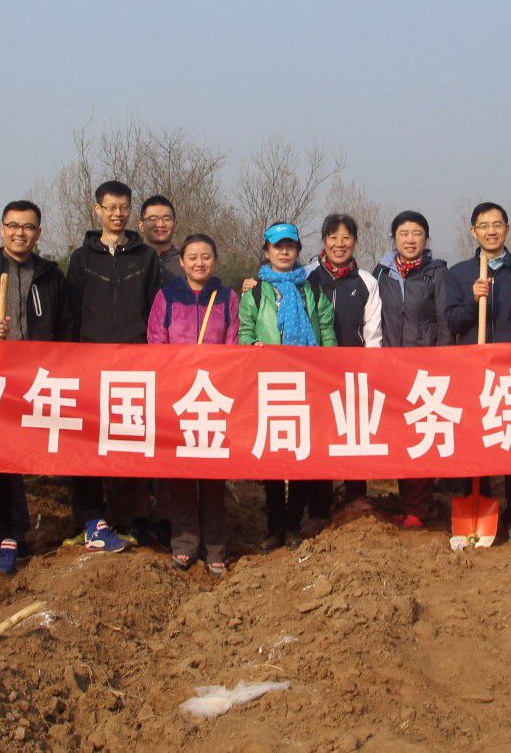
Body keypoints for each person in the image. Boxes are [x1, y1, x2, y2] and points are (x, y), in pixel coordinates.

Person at [0, 200, 78, 573]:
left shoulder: (51, 276)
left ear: (38, 232)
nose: (19, 233)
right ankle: (9, 534)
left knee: (66, 444)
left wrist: (57, 361)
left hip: (41, 378)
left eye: (27, 227)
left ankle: (86, 519)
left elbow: (67, 328)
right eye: (12, 226)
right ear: (2, 228)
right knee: (1, 453)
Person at [64, 180, 165, 550]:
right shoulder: (82, 258)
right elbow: (71, 312)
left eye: (123, 207)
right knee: (86, 443)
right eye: (110, 207)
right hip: (89, 364)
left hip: (134, 364)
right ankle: (91, 519)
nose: (117, 214)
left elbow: (155, 311)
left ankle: (127, 518)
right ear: (98, 210)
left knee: (128, 440)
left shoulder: (146, 257)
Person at [445, 203, 511, 543]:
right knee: (475, 442)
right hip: (473, 373)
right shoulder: (459, 274)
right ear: (473, 231)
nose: (491, 231)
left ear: (506, 229)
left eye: (497, 224)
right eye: (484, 225)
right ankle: (480, 502)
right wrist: (472, 300)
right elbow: (453, 321)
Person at [147, 234, 239, 576]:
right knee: (181, 475)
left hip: (214, 396)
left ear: (215, 261)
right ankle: (184, 544)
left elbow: (233, 342)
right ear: (182, 262)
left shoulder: (227, 297)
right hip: (178, 395)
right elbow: (156, 341)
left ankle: (216, 548)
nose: (200, 263)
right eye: (193, 257)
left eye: (206, 256)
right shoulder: (166, 296)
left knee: (213, 477)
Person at [241, 222, 336, 550]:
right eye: (277, 246)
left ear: (297, 250)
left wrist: (329, 368)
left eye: (290, 246)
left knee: (301, 456)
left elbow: (326, 330)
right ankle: (274, 527)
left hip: (307, 385)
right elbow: (245, 332)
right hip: (269, 385)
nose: (284, 252)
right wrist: (251, 350)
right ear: (267, 251)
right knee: (272, 458)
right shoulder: (255, 293)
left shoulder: (312, 290)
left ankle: (294, 524)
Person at [371, 210, 451, 528]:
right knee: (401, 435)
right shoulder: (381, 273)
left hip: (425, 365)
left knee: (422, 432)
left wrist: (443, 359)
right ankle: (409, 502)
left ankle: (419, 507)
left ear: (425, 239)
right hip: (392, 365)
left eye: (417, 233)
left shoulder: (436, 272)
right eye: (403, 233)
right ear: (394, 238)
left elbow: (444, 319)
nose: (410, 239)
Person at [305, 214, 384, 516]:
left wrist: (371, 372)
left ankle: (356, 496)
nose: (339, 244)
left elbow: (373, 333)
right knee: (318, 435)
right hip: (314, 371)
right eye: (333, 237)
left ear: (355, 241)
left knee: (352, 432)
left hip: (353, 372)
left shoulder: (366, 282)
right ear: (323, 241)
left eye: (346, 237)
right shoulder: (307, 276)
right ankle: (319, 508)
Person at [140, 194, 183, 281]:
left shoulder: (187, 263)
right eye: (153, 219)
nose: (160, 224)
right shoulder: (131, 261)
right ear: (141, 226)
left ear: (175, 225)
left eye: (166, 219)